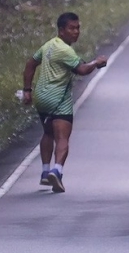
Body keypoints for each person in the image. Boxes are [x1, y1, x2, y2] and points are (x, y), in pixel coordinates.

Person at [22, 12, 108, 193]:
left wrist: (27, 90)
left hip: (41, 97)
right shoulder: (65, 50)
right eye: (72, 28)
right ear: (61, 31)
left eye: (78, 28)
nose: (76, 32)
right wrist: (96, 62)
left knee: (48, 132)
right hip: (58, 98)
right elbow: (82, 70)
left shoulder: (48, 45)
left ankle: (45, 172)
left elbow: (30, 64)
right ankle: (57, 171)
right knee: (62, 137)